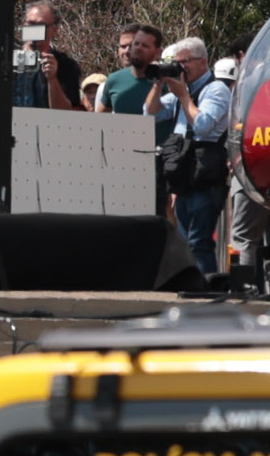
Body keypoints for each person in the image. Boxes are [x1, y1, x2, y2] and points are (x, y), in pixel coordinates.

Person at [145, 37, 233, 271]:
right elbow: (149, 113)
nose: (180, 67)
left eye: (184, 62)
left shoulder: (216, 89)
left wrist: (184, 96)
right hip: (183, 176)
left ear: (203, 62)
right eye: (176, 63)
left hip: (205, 176)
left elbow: (202, 125)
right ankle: (191, 288)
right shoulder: (178, 92)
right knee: (185, 243)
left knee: (199, 242)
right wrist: (158, 82)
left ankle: (205, 295)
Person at [98, 24, 165, 118]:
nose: (138, 48)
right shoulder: (114, 80)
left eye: (145, 46)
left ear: (158, 52)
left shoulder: (168, 81)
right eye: (136, 43)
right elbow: (99, 119)